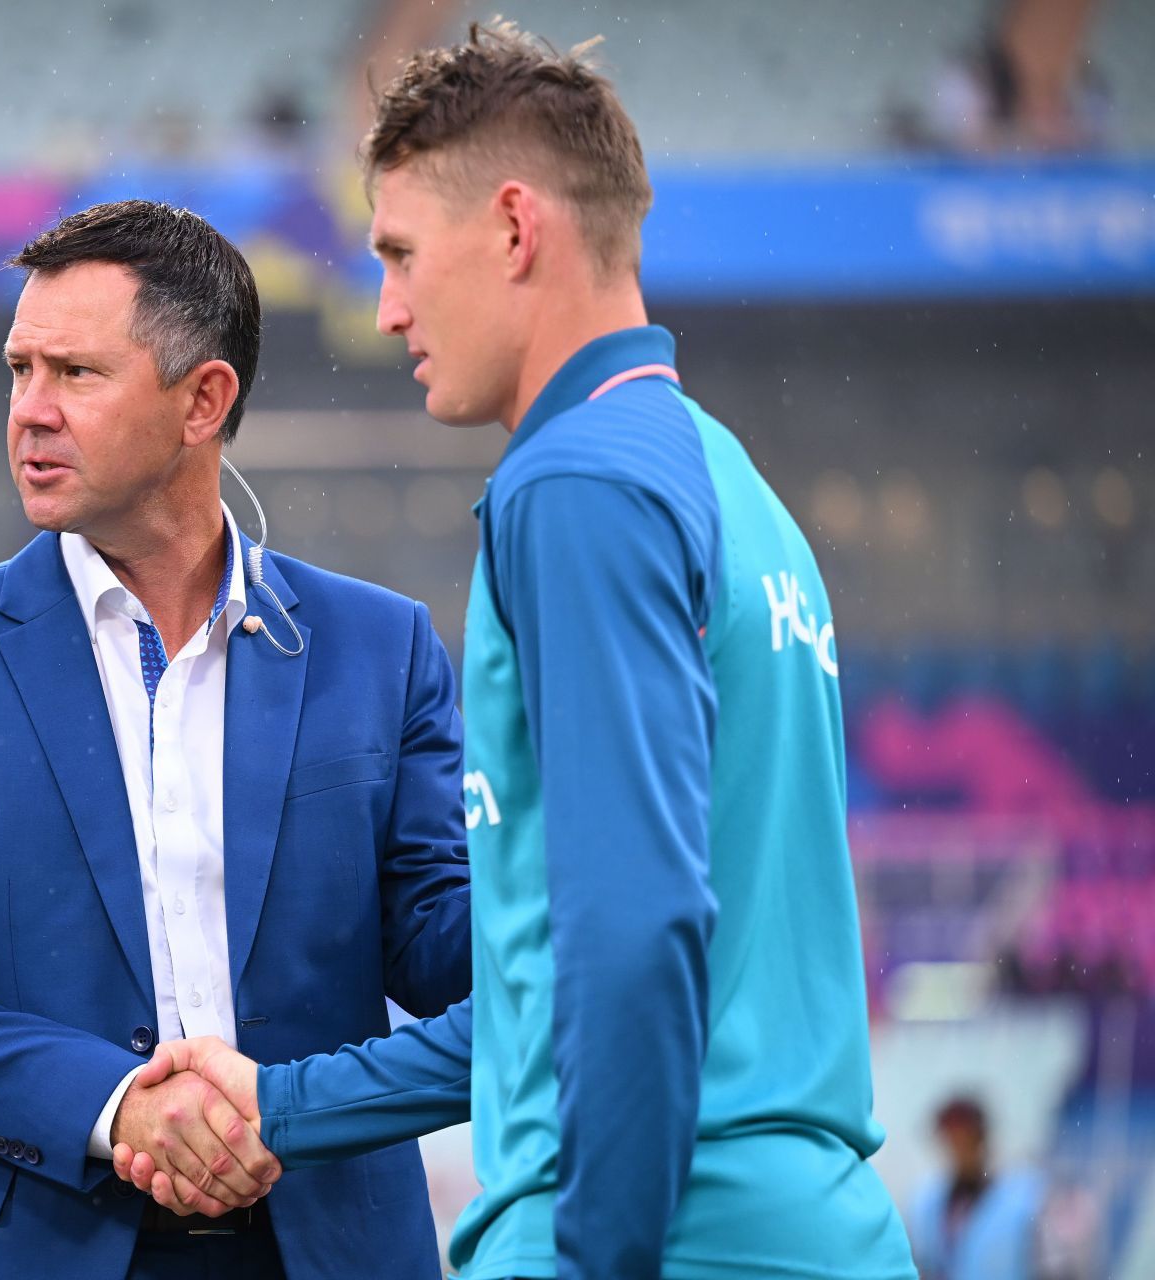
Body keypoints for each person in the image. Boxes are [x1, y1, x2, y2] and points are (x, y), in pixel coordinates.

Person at [115, 22, 918, 1280]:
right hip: (812, 1222)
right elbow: (571, 990)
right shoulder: (725, 476)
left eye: (397, 254)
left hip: (650, 1230)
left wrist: (598, 1257)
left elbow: (638, 932)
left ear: (512, 227)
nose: (384, 309)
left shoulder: (576, 486)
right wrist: (290, 1104)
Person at [0, 199, 473, 1279]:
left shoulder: (379, 647)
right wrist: (113, 1108)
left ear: (204, 399)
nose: (29, 411)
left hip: (330, 1246)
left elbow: (448, 943)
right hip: (34, 1247)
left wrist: (573, 876)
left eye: (75, 374)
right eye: (20, 370)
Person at [906, 1096, 1048, 1280]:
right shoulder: (927, 1203)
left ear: (982, 1139)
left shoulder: (1024, 1200)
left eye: (965, 1141)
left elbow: (1051, 1268)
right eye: (951, 1142)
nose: (958, 1151)